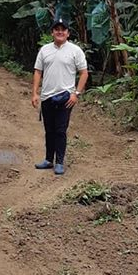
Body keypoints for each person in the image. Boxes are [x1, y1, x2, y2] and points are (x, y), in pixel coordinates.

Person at [31, 18, 88, 175]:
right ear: (52, 32)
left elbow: (84, 73)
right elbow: (38, 71)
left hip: (65, 98)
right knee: (49, 130)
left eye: (63, 29)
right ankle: (48, 159)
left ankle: (60, 162)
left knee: (60, 130)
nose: (60, 32)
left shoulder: (75, 51)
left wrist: (76, 94)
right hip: (47, 97)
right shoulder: (44, 50)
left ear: (68, 33)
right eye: (57, 29)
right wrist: (35, 93)